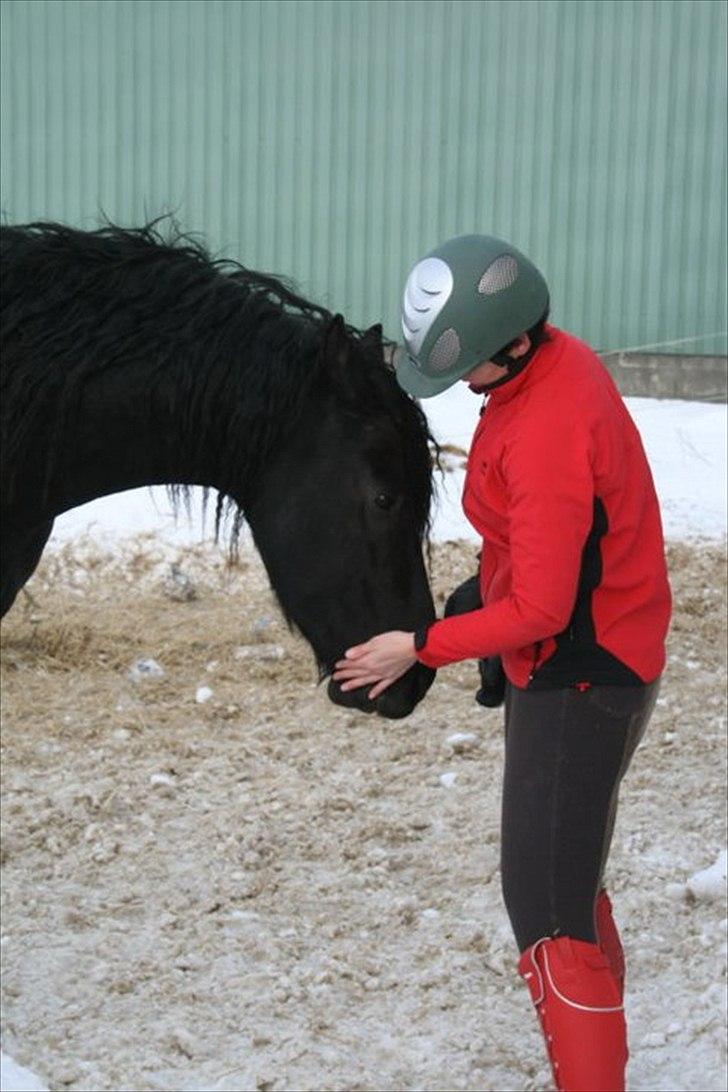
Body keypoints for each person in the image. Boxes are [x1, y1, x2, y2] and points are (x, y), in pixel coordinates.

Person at [333, 234, 671, 1092]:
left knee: (548, 913)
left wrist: (422, 646)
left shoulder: (547, 430)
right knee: (570, 877)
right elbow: (540, 547)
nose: (460, 387)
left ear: (512, 343)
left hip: (582, 673)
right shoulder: (555, 365)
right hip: (596, 645)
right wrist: (478, 594)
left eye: (466, 368)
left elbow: (546, 608)